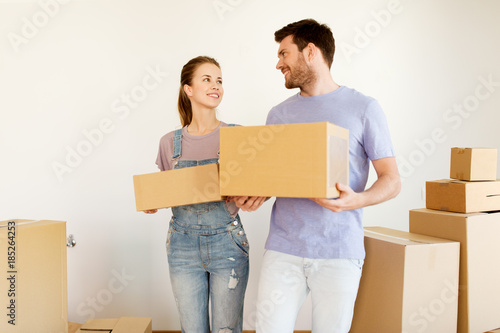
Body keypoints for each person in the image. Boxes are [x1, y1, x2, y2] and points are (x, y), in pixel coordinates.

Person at [235, 19, 401, 332]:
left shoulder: (364, 108)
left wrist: (356, 200)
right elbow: (278, 175)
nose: (278, 63)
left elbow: (392, 179)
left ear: (310, 52)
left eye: (284, 54)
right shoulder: (279, 114)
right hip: (284, 248)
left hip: (339, 251)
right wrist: (257, 192)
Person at [144, 56, 252, 333]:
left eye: (219, 80)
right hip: (182, 246)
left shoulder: (236, 137)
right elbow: (170, 190)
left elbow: (257, 188)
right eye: (207, 79)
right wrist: (153, 201)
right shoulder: (169, 143)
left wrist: (250, 196)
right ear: (188, 89)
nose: (215, 86)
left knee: (227, 330)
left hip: (227, 243)